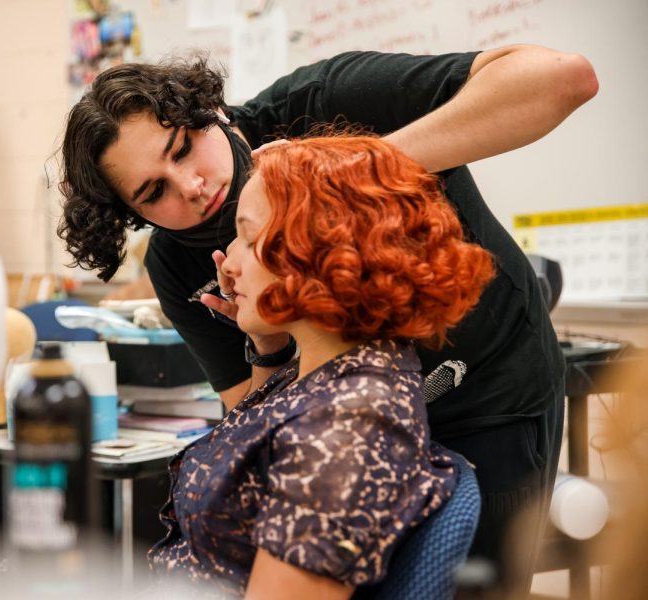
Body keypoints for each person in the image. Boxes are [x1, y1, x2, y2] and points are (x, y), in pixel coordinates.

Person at [58, 46, 598, 587]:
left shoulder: (324, 103)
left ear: (211, 113)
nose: (192, 188)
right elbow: (251, 423)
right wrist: (264, 343)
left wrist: (353, 176)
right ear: (132, 213)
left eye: (183, 149)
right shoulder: (177, 265)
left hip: (487, 389)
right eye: (155, 193)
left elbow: (563, 79)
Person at [147, 135, 494, 597]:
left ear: (317, 254)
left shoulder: (348, 426)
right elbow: (256, 447)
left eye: (249, 238)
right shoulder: (332, 365)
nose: (227, 262)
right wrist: (265, 343)